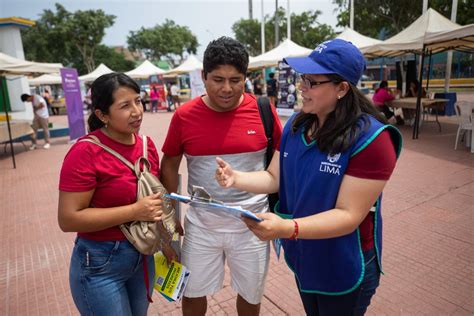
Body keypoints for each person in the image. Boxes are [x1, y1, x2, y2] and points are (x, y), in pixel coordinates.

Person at [215, 39, 402, 316]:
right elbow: (274, 177)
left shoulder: (372, 140)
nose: (301, 86)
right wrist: (236, 178)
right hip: (306, 255)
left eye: (312, 82)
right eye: (303, 77)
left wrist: (286, 229)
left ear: (341, 88)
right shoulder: (297, 124)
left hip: (343, 261)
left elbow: (348, 215)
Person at [160, 36, 282, 316]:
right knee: (191, 294)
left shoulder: (263, 110)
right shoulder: (184, 116)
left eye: (236, 80)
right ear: (203, 76)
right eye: (217, 79)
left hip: (253, 225)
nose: (227, 89)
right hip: (201, 226)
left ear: (246, 77)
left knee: (251, 296)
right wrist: (171, 215)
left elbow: (281, 161)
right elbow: (169, 164)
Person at [57, 73, 177, 315]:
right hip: (100, 265)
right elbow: (68, 219)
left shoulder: (146, 145)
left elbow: (156, 198)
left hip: (143, 256)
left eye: (138, 101)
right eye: (125, 106)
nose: (137, 111)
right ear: (102, 115)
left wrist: (167, 241)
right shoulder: (85, 152)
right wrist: (135, 211)